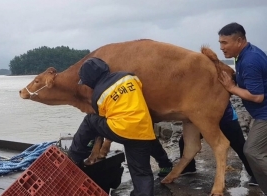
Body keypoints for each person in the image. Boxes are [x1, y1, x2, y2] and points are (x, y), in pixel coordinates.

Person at [68, 57, 161, 196]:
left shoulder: (98, 96)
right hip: (143, 130)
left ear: (90, 79)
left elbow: (102, 119)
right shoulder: (130, 77)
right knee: (141, 172)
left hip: (120, 129)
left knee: (90, 120)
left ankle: (73, 156)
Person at [218, 22, 267, 195]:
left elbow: (257, 96)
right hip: (260, 113)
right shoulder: (244, 56)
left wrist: (231, 88)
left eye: (225, 43)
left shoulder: (250, 61)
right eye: (220, 43)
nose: (221, 47)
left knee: (251, 151)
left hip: (264, 114)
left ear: (239, 41)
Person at [178, 103, 257, 185]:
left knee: (240, 147)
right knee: (184, 142)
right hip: (205, 121)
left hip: (226, 119)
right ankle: (188, 168)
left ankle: (256, 175)